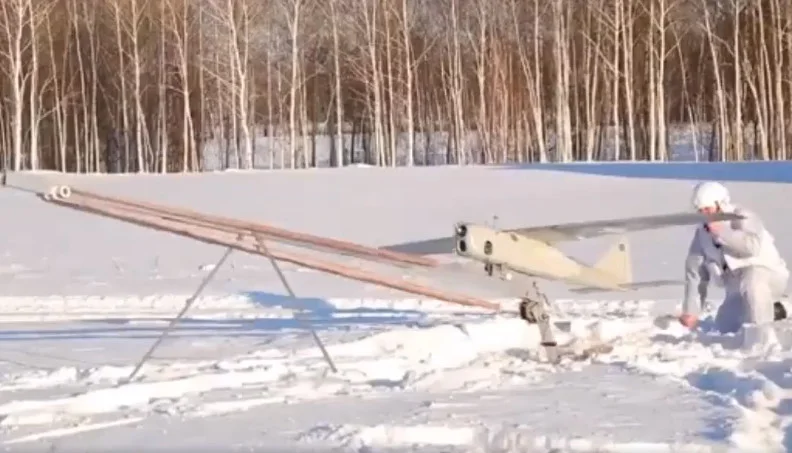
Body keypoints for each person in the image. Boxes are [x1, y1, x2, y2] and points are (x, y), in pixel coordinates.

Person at [680, 181, 789, 338]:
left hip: (768, 276)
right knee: (725, 328)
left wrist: (722, 232)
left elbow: (752, 247)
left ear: (720, 204)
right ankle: (779, 310)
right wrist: (691, 311)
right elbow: (695, 271)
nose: (705, 214)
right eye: (701, 210)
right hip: (736, 287)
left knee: (753, 280)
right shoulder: (702, 234)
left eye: (708, 209)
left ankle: (762, 336)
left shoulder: (743, 216)